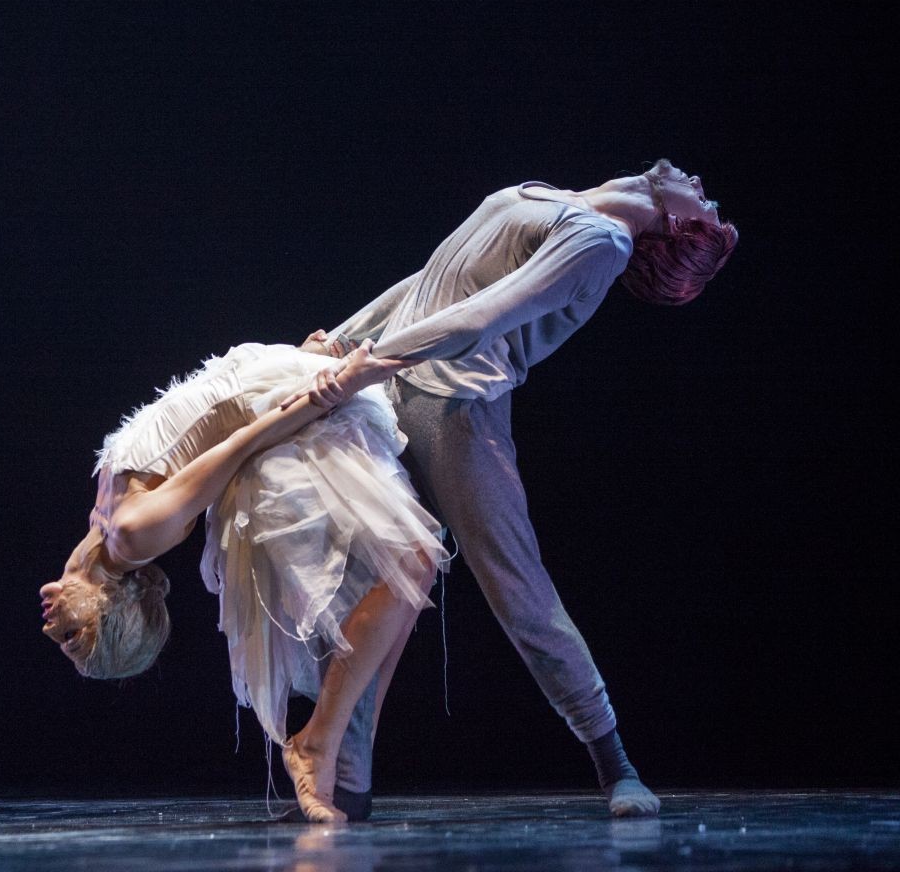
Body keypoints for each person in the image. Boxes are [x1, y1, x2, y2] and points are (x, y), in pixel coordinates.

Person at [296, 159, 739, 818]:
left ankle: (616, 766)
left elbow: (480, 317)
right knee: (372, 575)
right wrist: (345, 338)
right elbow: (432, 283)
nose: (700, 184)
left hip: (457, 411)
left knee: (517, 585)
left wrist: (363, 367)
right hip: (398, 385)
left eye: (705, 205)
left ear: (674, 225)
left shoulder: (601, 242)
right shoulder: (560, 199)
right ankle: (345, 779)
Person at [39, 340, 447, 823]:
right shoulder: (134, 532)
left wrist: (290, 358)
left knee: (413, 562)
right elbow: (239, 443)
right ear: (105, 608)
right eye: (71, 635)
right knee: (412, 561)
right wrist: (336, 385)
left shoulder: (106, 518)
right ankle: (322, 745)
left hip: (267, 376)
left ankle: (337, 755)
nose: (48, 625)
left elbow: (197, 413)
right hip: (284, 406)